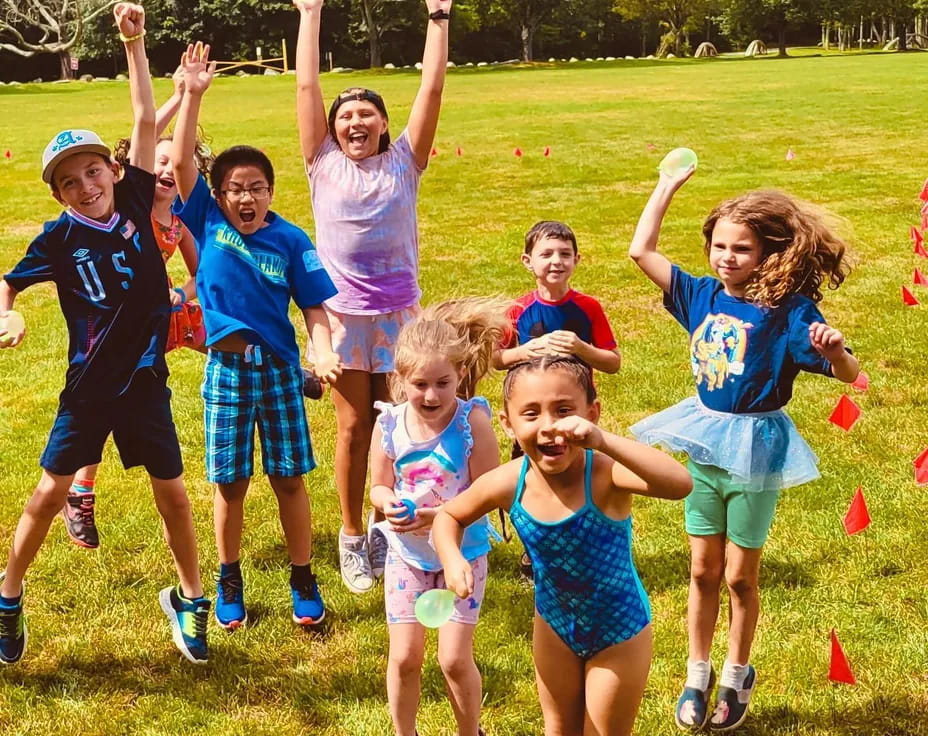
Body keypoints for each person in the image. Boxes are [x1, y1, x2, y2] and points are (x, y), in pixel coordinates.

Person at [0, 3, 210, 665]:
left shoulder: (134, 197)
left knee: (173, 493)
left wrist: (135, 44)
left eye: (93, 170)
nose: (86, 183)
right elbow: (6, 281)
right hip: (89, 387)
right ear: (59, 192)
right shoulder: (57, 240)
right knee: (48, 492)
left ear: (112, 172)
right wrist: (5, 310)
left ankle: (191, 597)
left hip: (145, 378)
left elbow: (147, 119)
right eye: (70, 180)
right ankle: (7, 597)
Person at [627, 167, 859, 731]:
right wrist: (665, 186)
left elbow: (850, 373)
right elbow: (641, 251)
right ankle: (697, 671)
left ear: (767, 251)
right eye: (719, 246)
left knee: (738, 576)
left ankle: (736, 671)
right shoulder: (699, 294)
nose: (727, 257)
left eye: (741, 248)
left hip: (756, 448)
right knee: (702, 569)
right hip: (706, 443)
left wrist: (834, 350)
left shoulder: (789, 311)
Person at [170, 42, 342, 629]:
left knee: (288, 477)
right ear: (218, 196)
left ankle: (303, 575)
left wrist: (321, 349)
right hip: (225, 371)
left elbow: (316, 308)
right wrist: (191, 95)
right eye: (235, 188)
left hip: (278, 372)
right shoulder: (207, 220)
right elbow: (186, 165)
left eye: (257, 187)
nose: (246, 197)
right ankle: (229, 577)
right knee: (231, 481)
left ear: (271, 191)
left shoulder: (291, 240)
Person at [434, 356, 691, 736]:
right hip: (554, 625)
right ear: (508, 424)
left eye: (564, 410)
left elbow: (678, 483)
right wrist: (452, 558)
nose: (549, 426)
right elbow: (448, 517)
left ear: (592, 413)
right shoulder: (509, 482)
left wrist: (604, 442)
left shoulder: (604, 474)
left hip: (619, 631)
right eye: (531, 414)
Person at [294, 0, 452, 594]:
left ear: (384, 124)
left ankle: (392, 524)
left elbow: (432, 90)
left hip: (399, 318)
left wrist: (438, 20)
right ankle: (353, 535)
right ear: (332, 129)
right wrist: (310, 13)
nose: (355, 122)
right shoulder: (321, 163)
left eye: (367, 114)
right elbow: (307, 84)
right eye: (346, 116)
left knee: (402, 425)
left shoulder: (406, 162)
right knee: (355, 428)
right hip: (340, 319)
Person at [63, 76, 214, 551]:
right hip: (118, 324)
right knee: (107, 403)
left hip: (157, 315)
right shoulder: (130, 201)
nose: (167, 168)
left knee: (222, 330)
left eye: (177, 162)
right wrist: (180, 96)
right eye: (160, 161)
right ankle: (80, 492)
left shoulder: (179, 220)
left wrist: (184, 292)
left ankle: (285, 371)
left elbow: (202, 272)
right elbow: (146, 128)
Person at [369, 297, 507, 736]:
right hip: (406, 555)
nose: (431, 395)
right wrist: (387, 502)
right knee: (405, 657)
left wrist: (434, 515)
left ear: (460, 375)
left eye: (443, 383)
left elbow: (489, 494)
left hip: (462, 557)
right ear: (399, 380)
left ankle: (470, 731)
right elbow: (378, 484)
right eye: (420, 384)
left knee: (452, 659)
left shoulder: (472, 422)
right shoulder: (389, 424)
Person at [493, 219, 621, 580]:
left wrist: (582, 348)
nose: (556, 261)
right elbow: (493, 359)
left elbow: (613, 362)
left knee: (580, 472)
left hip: (575, 410)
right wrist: (524, 351)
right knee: (532, 474)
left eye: (565, 254)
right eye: (546, 253)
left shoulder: (587, 308)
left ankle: (581, 540)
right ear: (527, 261)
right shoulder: (517, 310)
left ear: (577, 260)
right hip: (532, 414)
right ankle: (535, 551)